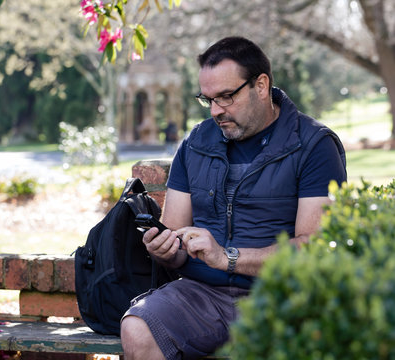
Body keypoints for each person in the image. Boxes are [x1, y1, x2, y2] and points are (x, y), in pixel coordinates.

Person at [120, 36, 347, 359]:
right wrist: (165, 250)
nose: (216, 111)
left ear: (261, 85)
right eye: (208, 99)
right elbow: (175, 238)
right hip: (201, 295)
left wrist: (227, 257)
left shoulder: (313, 145)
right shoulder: (196, 143)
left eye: (226, 97)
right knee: (137, 327)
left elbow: (313, 248)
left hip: (280, 297)